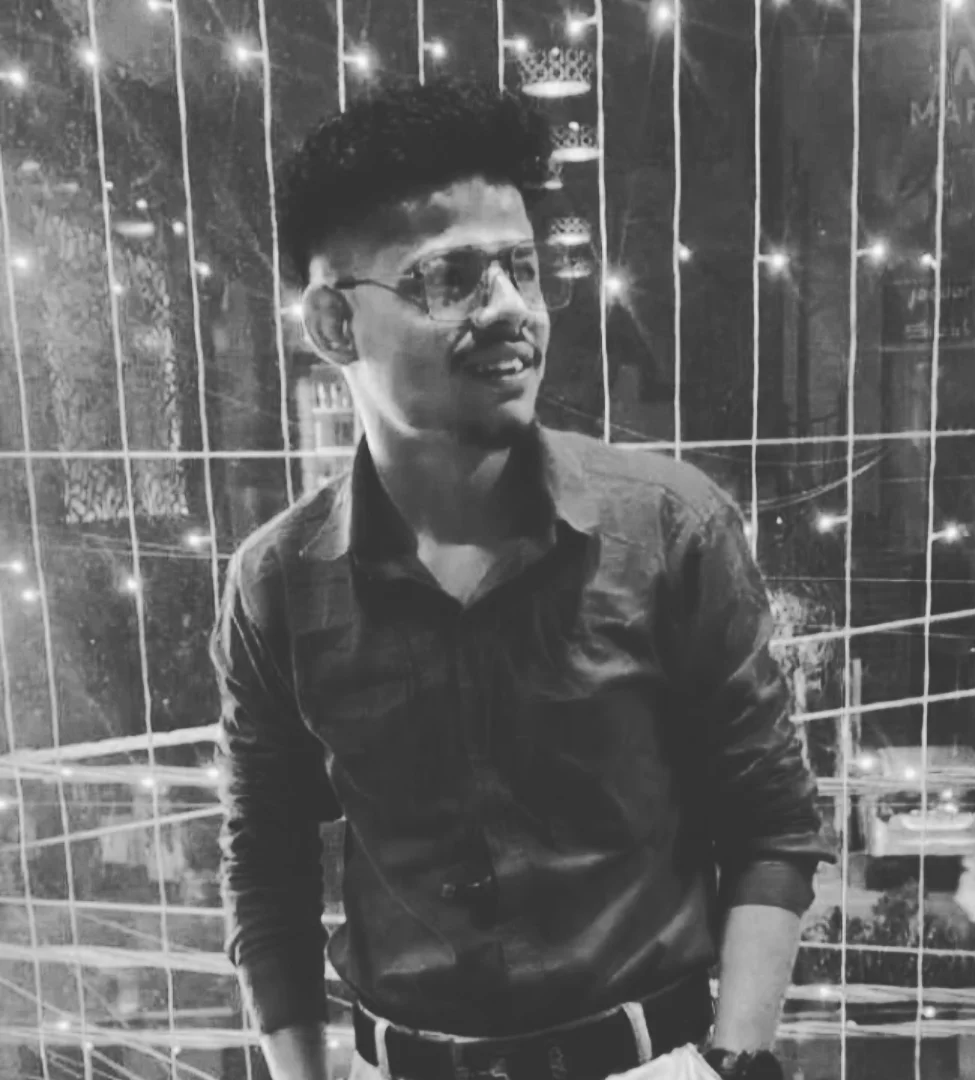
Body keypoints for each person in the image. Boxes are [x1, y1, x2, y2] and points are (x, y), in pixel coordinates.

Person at [213, 77, 835, 1080]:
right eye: (450, 277)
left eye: (522, 268)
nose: (510, 308)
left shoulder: (669, 527)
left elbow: (771, 821)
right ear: (333, 324)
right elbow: (267, 867)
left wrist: (735, 1062)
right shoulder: (277, 585)